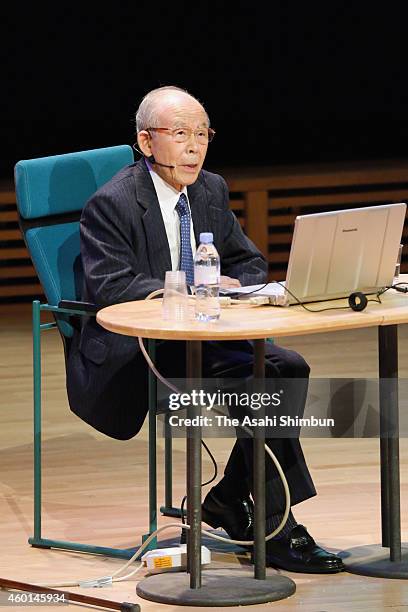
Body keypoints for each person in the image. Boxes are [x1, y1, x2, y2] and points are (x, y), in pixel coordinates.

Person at [66, 85, 344, 573]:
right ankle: (275, 526)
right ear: (147, 143)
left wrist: (238, 286)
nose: (194, 146)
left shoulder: (210, 189)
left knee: (284, 369)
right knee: (268, 381)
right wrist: (187, 292)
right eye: (180, 134)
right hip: (143, 350)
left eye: (202, 134)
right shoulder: (112, 203)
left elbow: (249, 262)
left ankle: (236, 500)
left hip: (205, 336)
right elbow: (111, 286)